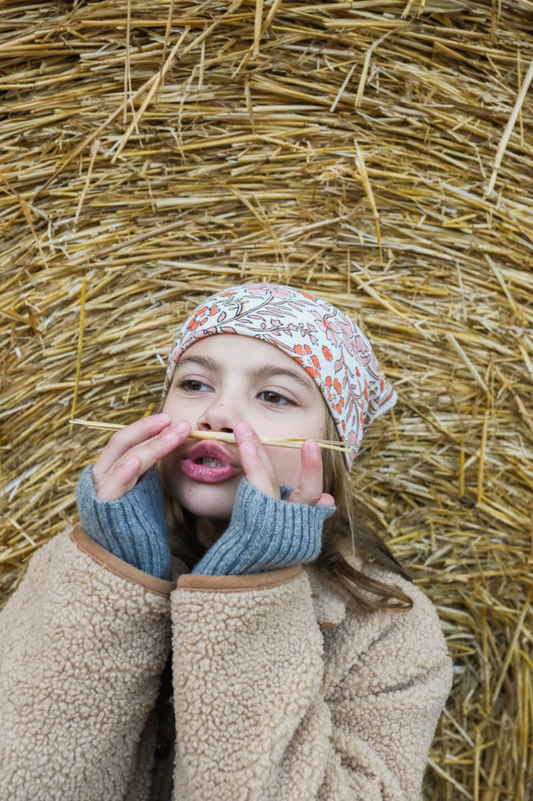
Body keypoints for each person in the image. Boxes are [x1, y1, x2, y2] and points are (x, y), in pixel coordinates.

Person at [0, 282, 454, 801]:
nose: (217, 414)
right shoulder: (73, 566)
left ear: (332, 448)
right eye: (194, 384)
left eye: (273, 395)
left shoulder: (389, 627)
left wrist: (253, 587)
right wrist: (114, 571)